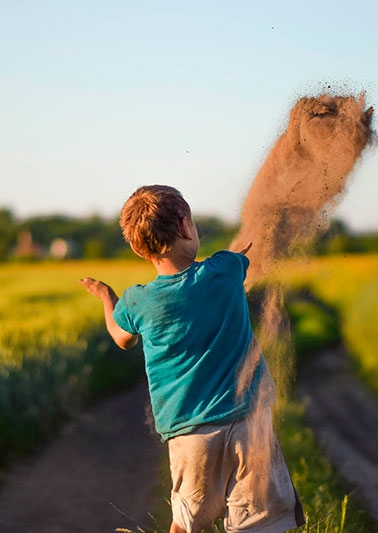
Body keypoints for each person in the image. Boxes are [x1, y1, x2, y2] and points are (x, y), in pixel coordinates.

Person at [79, 185, 305, 533]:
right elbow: (246, 253)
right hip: (250, 421)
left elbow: (121, 339)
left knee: (187, 522)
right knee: (260, 523)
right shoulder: (225, 269)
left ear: (138, 248)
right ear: (185, 226)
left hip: (190, 434)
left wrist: (107, 297)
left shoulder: (137, 302)